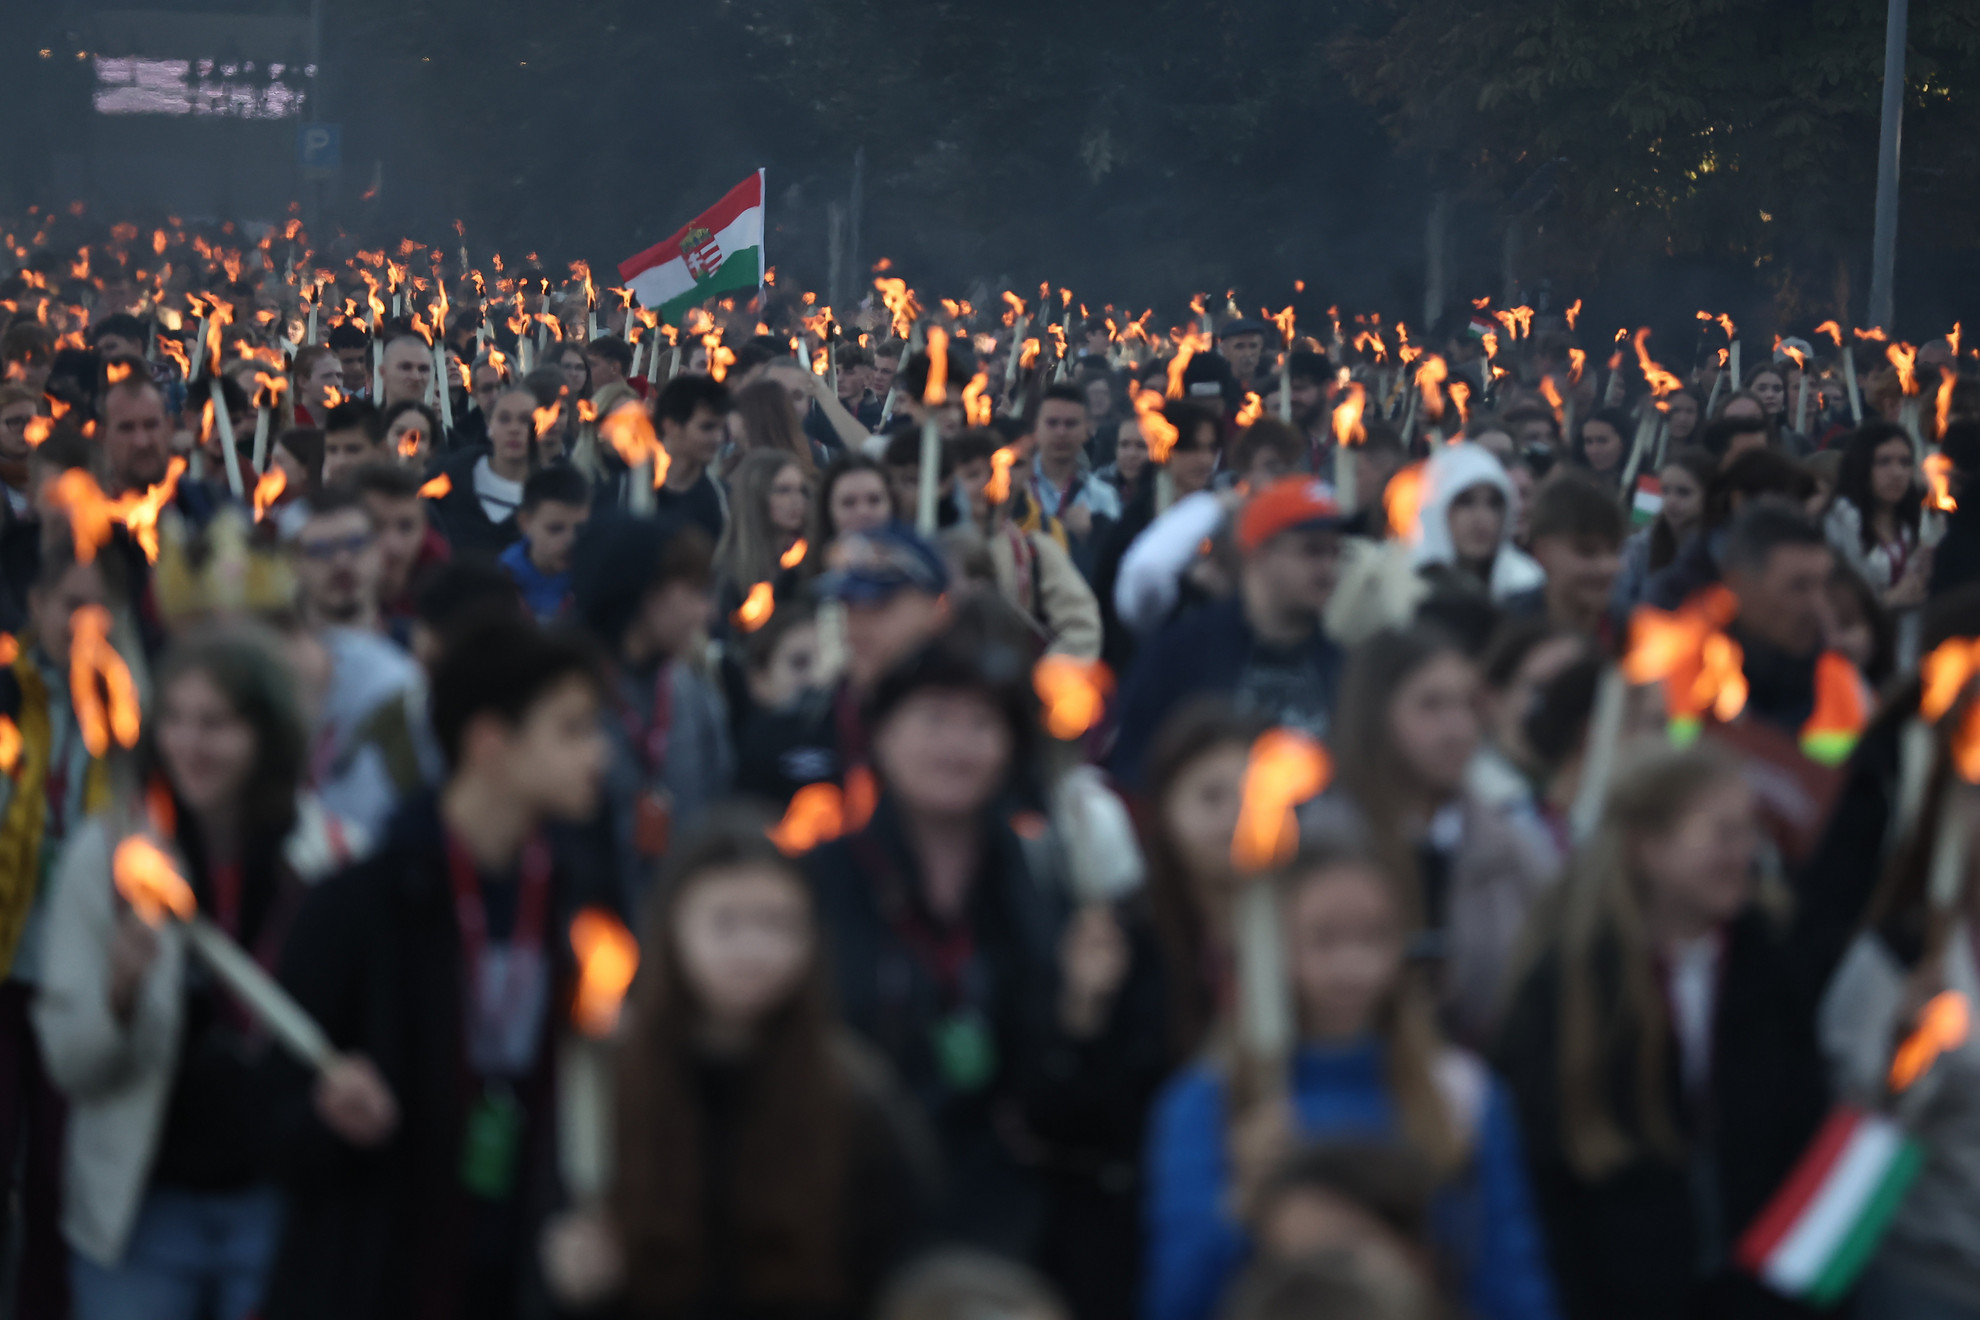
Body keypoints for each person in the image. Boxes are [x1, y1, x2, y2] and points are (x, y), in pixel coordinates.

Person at [262, 612, 611, 1320]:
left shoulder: (581, 901)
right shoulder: (361, 903)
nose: (596, 755)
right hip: (381, 1265)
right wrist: (327, 1113)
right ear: (490, 743)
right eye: (570, 730)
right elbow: (274, 1109)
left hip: (523, 1265)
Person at [35, 627, 358, 1320]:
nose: (189, 744)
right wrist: (120, 996)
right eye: (175, 720)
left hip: (276, 1199)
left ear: (265, 734)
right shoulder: (111, 859)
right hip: (144, 1210)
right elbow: (70, 1064)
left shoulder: (329, 858)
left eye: (215, 724)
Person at [803, 628, 1145, 1262]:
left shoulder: (1042, 879)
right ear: (882, 734)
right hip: (850, 1206)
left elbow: (1064, 1093)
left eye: (980, 725)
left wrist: (1080, 1013)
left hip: (1001, 1219)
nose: (957, 747)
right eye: (934, 720)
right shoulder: (821, 880)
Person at [539, 812, 935, 1317]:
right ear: (672, 930)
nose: (753, 949)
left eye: (777, 923)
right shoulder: (611, 1085)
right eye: (725, 923)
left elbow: (903, 1258)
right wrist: (571, 1277)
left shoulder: (853, 1095)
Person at [1144, 841, 1557, 1320]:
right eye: (1324, 939)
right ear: (1273, 948)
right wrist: (1238, 1208)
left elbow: (1509, 1278)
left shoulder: (1459, 1093)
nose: (1352, 966)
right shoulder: (1215, 1102)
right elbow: (1175, 1300)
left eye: (1374, 937)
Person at [1495, 744, 1829, 1320]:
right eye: (1722, 835)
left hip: (1761, 1297)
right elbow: (1546, 1177)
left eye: (1750, 833)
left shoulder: (1769, 964)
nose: (1744, 854)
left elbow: (1803, 1133)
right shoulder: (1573, 986)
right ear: (1647, 849)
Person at [1318, 627, 1559, 1046]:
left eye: (1467, 705)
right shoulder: (1321, 844)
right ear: (1375, 713)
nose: (1458, 727)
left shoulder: (1513, 848)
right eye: (1431, 706)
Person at [0, 540, 116, 1319]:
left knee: (57, 1181)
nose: (78, 621)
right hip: (6, 964)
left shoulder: (134, 706)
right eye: (63, 604)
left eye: (92, 605)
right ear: (34, 610)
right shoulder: (10, 701)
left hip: (85, 979)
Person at [1113, 477, 1344, 788]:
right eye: (1312, 551)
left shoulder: (1343, 664)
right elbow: (1133, 768)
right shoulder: (1183, 655)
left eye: (1335, 552)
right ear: (1260, 552)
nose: (1329, 568)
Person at [571, 516, 733, 910]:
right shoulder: (569, 698)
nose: (708, 612)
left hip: (680, 926)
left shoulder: (694, 693)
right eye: (696, 591)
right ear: (648, 593)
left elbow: (718, 805)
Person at [736, 526, 950, 806]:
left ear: (935, 609)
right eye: (847, 604)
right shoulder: (791, 730)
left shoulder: (976, 724)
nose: (858, 624)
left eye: (878, 603)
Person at [1721, 500, 1844, 739]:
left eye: (1825, 587)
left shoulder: (1844, 689)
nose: (1819, 606)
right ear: (1739, 586)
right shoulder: (1691, 678)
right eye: (1799, 587)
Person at [1407, 442, 1545, 603]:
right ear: (1439, 508)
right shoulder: (1406, 587)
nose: (1482, 517)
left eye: (1493, 504)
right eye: (1466, 502)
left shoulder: (1526, 584)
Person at [1825, 421, 1929, 610]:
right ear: (1862, 464)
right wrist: (1892, 599)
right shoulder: (1841, 517)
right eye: (1884, 461)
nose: (1897, 473)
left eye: (1905, 462)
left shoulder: (1909, 522)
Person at [427, 385, 537, 553]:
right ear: (489, 426)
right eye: (504, 419)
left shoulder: (549, 492)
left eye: (525, 420)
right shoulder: (452, 475)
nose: (514, 429)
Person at [1510, 475, 1624, 638]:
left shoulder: (1634, 636)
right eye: (1587, 551)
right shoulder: (1505, 629)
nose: (1607, 567)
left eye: (1615, 550)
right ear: (1543, 551)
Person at [1032, 384, 1123, 577]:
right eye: (1052, 423)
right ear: (1037, 427)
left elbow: (1113, 562)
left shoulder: (1103, 496)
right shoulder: (1014, 488)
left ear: (1086, 430)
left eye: (1071, 424)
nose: (1061, 432)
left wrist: (1090, 536)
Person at [1612, 448, 1714, 614]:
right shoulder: (1640, 546)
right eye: (1665, 491)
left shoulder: (1721, 549)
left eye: (1684, 493)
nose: (1671, 501)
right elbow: (1619, 603)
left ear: (1708, 495)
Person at [349, 463, 451, 627]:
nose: (393, 545)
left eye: (406, 527)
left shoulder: (451, 603)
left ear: (424, 529)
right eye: (376, 526)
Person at [714, 449, 812, 617]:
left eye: (801, 490)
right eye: (783, 490)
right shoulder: (728, 571)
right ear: (756, 495)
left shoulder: (810, 557)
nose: (796, 500)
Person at [501, 466, 590, 622]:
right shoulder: (500, 582)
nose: (570, 540)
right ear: (524, 523)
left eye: (579, 529)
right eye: (555, 529)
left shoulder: (595, 581)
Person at [292, 487, 385, 636]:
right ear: (294, 563)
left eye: (355, 544)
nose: (341, 562)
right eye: (320, 550)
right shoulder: (274, 655)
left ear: (379, 550)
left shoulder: (415, 647)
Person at [650, 375, 732, 544]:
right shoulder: (624, 491)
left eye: (721, 428)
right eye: (707, 427)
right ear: (671, 425)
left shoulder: (724, 500)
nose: (718, 438)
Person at [816, 454, 894, 543]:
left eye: (874, 500)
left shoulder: (911, 553)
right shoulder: (804, 555)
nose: (863, 512)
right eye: (849, 503)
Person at [320, 400, 390, 489]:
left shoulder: (406, 499)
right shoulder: (308, 502)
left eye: (353, 450)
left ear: (382, 450)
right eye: (332, 450)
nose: (340, 462)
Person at [1570, 409, 1631, 492]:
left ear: (1624, 442)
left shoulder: (1646, 487)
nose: (1594, 450)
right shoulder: (1572, 484)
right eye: (1588, 442)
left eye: (1602, 441)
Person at [376, 334, 435, 413]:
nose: (416, 377)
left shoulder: (437, 424)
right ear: (383, 372)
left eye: (423, 369)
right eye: (406, 367)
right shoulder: (365, 424)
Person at [327, 323, 370, 398]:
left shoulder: (382, 399)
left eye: (361, 360)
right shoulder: (322, 401)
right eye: (348, 361)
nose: (357, 368)